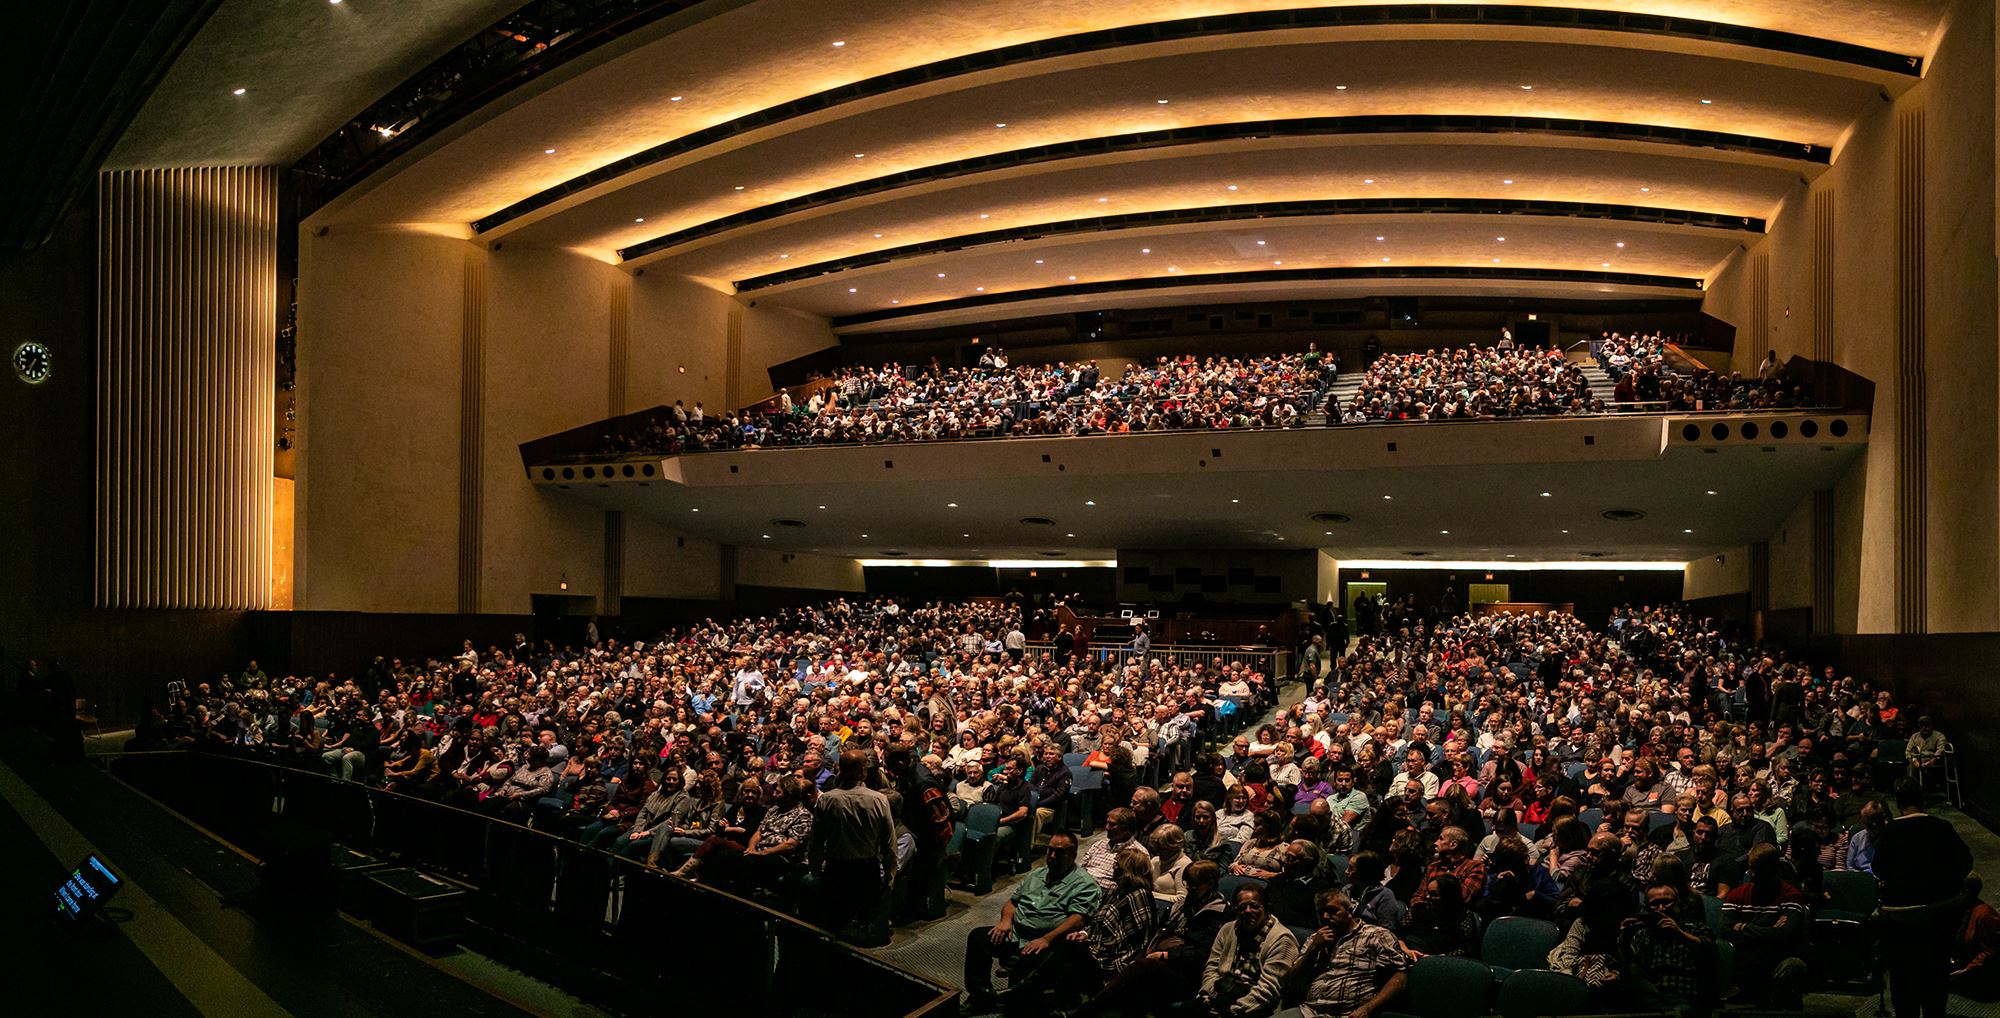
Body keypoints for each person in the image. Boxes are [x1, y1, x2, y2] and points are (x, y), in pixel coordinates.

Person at [962, 833, 1103, 1016]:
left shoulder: (1084, 884)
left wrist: (1046, 939)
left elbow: (1077, 919)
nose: (1052, 856)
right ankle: (981, 997)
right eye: (1050, 850)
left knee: (1026, 963)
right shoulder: (1037, 874)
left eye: (1058, 852)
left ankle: (1016, 1006)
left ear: (1072, 854)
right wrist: (1006, 921)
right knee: (978, 938)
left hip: (1049, 942)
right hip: (1015, 933)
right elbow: (1013, 903)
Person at [1875, 778, 1975, 1018]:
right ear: (1922, 802)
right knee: (1934, 977)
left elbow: (1879, 868)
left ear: (1899, 804)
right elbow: (1965, 863)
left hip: (1901, 917)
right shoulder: (1942, 827)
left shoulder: (1891, 830)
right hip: (1937, 915)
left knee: (1902, 977)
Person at [811, 749, 898, 939]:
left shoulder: (826, 799)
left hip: (836, 867)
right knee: (862, 924)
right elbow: (889, 842)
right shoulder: (879, 799)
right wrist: (890, 875)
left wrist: (816, 871)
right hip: (867, 868)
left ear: (840, 770)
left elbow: (816, 841)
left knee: (835, 922)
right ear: (863, 772)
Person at [1287, 888, 1411, 1018]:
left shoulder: (1377, 935)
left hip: (1348, 1014)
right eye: (1321, 912)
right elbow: (1294, 984)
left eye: (1332, 911)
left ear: (1349, 911)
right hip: (1309, 1011)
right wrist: (1313, 949)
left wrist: (1368, 1008)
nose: (1325, 917)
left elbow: (1399, 979)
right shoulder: (1315, 940)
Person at [1200, 885, 1299, 1017]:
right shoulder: (1228, 929)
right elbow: (1212, 968)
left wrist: (1232, 1011)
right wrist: (1208, 998)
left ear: (1266, 908)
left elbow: (1268, 990)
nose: (1247, 911)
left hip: (1255, 1006)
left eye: (1254, 906)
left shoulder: (1282, 940)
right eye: (1242, 907)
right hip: (1222, 993)